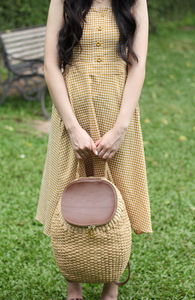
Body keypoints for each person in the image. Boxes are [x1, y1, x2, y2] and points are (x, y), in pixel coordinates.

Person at [35, 0, 153, 299]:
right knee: (68, 187)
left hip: (117, 108)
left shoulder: (135, 1)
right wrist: (72, 127)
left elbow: (137, 64)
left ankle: (111, 284)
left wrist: (121, 127)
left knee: (120, 191)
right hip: (71, 107)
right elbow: (51, 64)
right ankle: (72, 282)